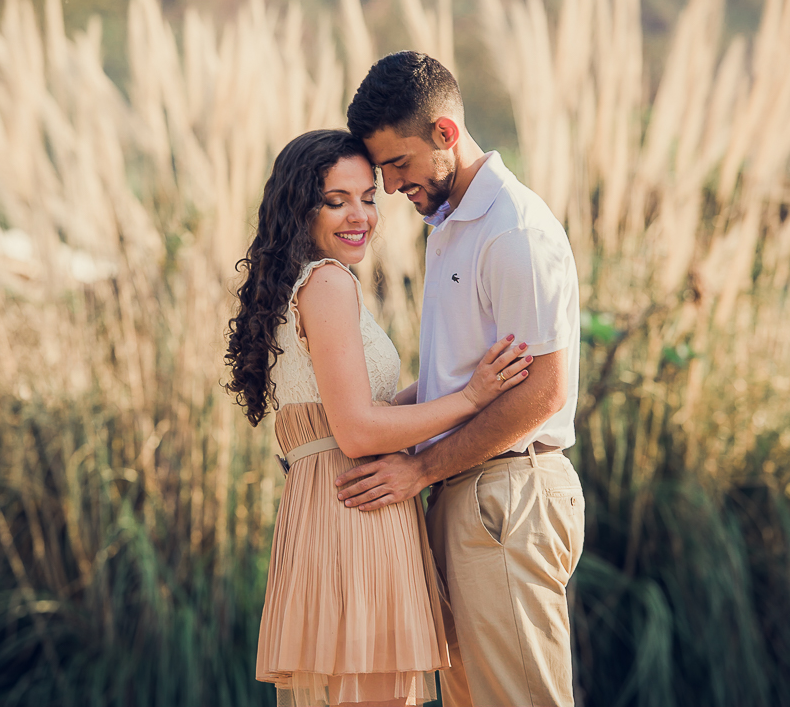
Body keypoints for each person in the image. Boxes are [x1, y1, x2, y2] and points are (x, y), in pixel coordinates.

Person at [226, 128, 534, 707]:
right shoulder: (329, 283)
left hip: (328, 505)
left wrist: (455, 386)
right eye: (336, 200)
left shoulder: (298, 287)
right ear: (300, 207)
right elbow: (358, 430)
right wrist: (470, 399)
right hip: (357, 510)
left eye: (368, 197)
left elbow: (348, 413)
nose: (360, 216)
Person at [337, 51, 585, 707]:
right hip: (468, 495)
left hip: (508, 493)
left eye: (399, 164)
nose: (391, 187)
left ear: (445, 134)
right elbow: (459, 380)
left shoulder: (513, 233)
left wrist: (419, 471)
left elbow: (543, 391)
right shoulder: (451, 226)